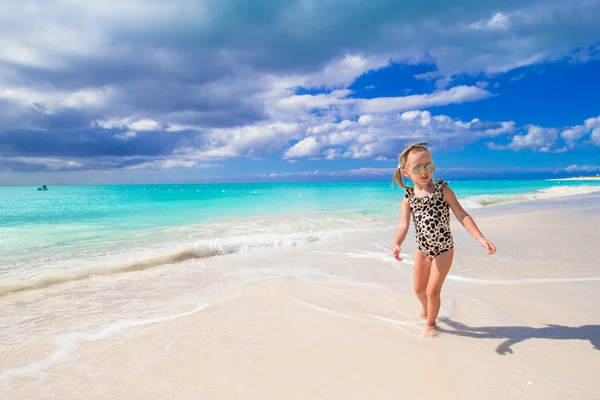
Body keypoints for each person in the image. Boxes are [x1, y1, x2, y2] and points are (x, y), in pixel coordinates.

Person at [391, 142, 496, 337]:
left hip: (444, 249)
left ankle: (431, 324)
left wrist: (480, 238)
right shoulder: (408, 198)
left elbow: (462, 215)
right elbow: (403, 225)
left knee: (432, 291)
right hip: (422, 249)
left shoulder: (442, 190)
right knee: (418, 290)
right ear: (406, 173)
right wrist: (397, 242)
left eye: (428, 166)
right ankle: (427, 309)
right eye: (418, 168)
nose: (424, 171)